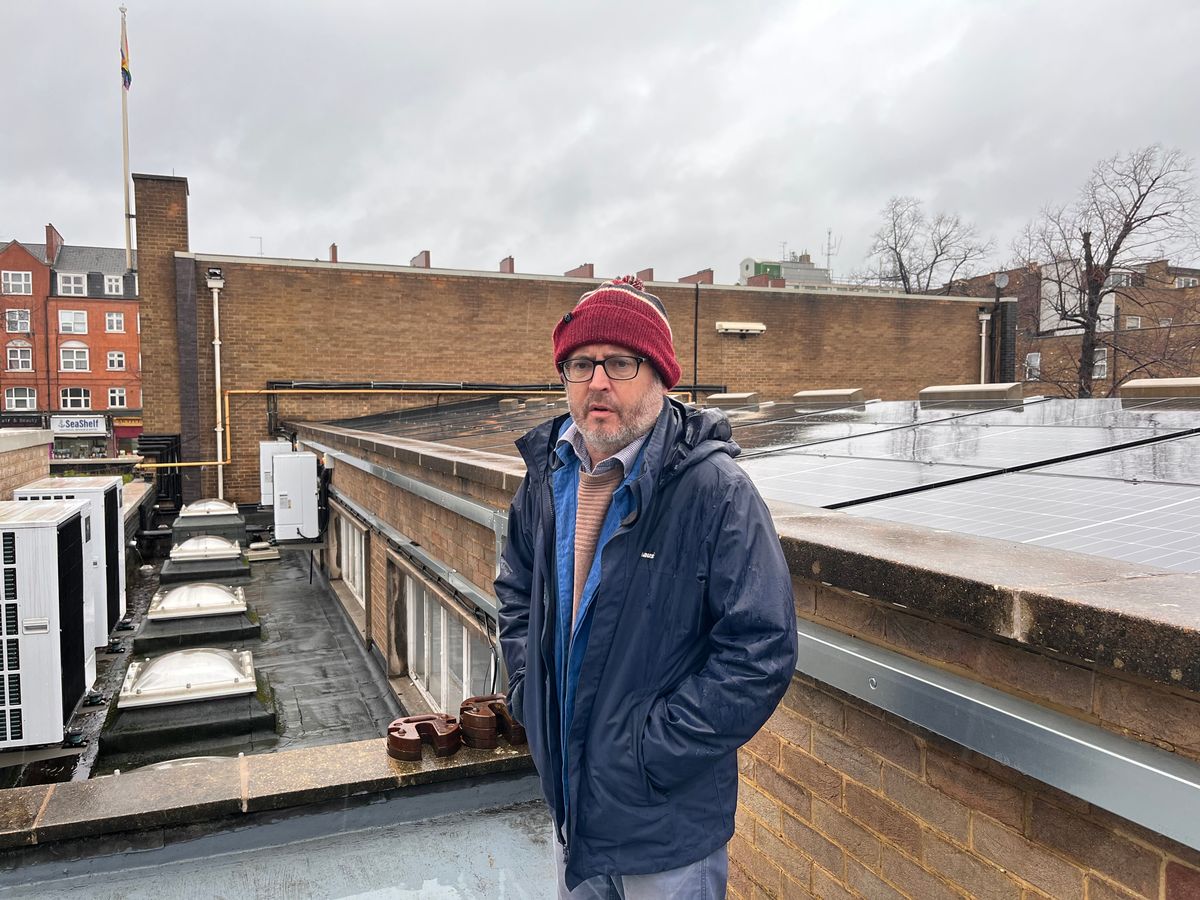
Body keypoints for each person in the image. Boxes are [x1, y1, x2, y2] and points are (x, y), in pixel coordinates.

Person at [496, 275, 797, 897]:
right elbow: (518, 591)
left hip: (666, 831)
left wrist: (647, 752)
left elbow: (759, 649)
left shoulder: (715, 491)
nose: (597, 381)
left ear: (660, 376)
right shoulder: (548, 476)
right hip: (573, 810)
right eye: (581, 364)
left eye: (620, 362)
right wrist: (531, 694)